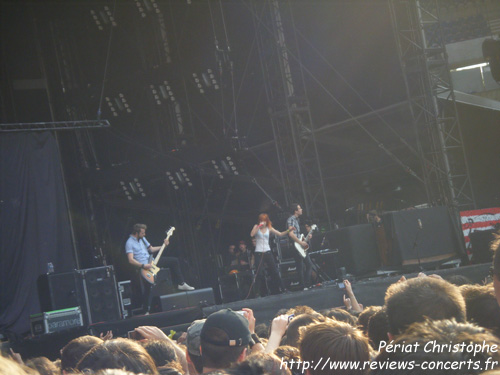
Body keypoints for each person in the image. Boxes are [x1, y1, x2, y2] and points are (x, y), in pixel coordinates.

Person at [125, 224, 194, 291]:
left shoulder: (142, 239)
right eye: (142, 233)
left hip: (152, 262)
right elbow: (131, 260)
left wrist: (163, 246)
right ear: (137, 233)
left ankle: (181, 284)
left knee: (174, 261)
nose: (144, 234)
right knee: (148, 289)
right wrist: (143, 265)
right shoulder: (129, 243)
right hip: (144, 268)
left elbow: (151, 249)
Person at [250, 213, 291, 296]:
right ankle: (257, 293)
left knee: (275, 271)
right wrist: (258, 226)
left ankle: (283, 288)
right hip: (258, 252)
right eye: (261, 220)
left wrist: (288, 230)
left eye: (264, 220)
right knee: (259, 273)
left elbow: (279, 234)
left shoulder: (269, 228)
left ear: (266, 221)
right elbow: (251, 234)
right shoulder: (256, 226)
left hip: (267, 252)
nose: (262, 222)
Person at [287, 203, 314, 290]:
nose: (301, 209)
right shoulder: (291, 220)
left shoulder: (297, 220)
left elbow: (299, 235)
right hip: (295, 246)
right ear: (295, 211)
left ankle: (306, 284)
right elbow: (291, 234)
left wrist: (307, 238)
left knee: (308, 265)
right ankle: (303, 286)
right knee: (301, 266)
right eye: (300, 208)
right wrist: (300, 242)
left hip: (299, 244)